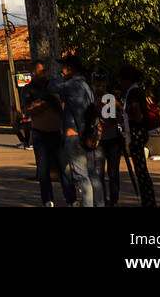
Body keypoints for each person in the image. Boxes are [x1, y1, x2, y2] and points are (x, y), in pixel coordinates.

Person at [24, 61, 68, 207]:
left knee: (65, 169)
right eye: (41, 71)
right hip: (40, 135)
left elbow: (62, 104)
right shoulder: (28, 89)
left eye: (45, 71)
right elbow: (30, 109)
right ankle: (48, 200)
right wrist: (47, 102)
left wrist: (41, 104)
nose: (44, 74)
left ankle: (71, 198)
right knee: (43, 171)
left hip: (57, 133)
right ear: (33, 73)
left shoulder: (53, 86)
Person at [59, 54, 96, 206]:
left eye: (64, 68)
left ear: (70, 69)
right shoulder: (84, 85)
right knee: (72, 171)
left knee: (82, 176)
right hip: (80, 135)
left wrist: (81, 134)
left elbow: (80, 113)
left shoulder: (75, 86)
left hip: (76, 136)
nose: (61, 70)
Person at [120, 66, 156, 207]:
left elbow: (135, 110)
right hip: (138, 132)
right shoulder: (136, 90)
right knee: (141, 171)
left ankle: (148, 201)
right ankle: (147, 200)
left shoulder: (133, 92)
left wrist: (134, 118)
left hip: (137, 133)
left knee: (141, 171)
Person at [92, 72, 124, 207]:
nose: (101, 88)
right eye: (98, 85)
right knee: (98, 174)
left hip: (113, 139)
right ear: (93, 85)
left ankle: (114, 199)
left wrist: (108, 104)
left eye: (103, 86)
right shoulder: (90, 98)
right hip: (98, 141)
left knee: (113, 172)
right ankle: (102, 200)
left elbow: (112, 118)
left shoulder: (109, 98)